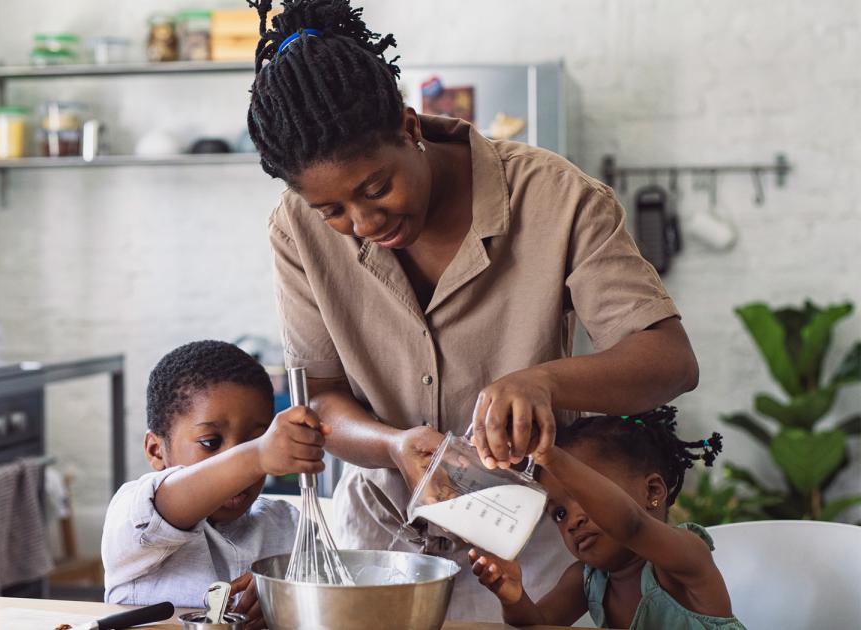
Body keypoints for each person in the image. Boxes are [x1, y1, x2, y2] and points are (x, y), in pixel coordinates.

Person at [246, 0, 700, 619]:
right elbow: (321, 394)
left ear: (410, 127)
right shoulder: (295, 230)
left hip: (530, 535)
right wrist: (396, 446)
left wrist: (543, 380)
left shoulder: (556, 198)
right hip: (382, 528)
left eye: (377, 188)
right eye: (333, 211)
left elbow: (669, 360)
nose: (364, 223)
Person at [101, 340, 327, 628]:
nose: (238, 463)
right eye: (211, 443)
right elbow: (169, 501)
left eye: (255, 439)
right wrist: (256, 454)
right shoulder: (133, 514)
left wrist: (282, 596)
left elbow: (322, 596)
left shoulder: (287, 525)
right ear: (156, 451)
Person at [470, 407, 746, 629]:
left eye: (587, 497)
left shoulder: (685, 557)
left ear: (652, 491)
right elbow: (538, 625)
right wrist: (513, 597)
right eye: (560, 513)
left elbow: (631, 525)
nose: (572, 521)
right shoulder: (587, 579)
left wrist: (549, 456)